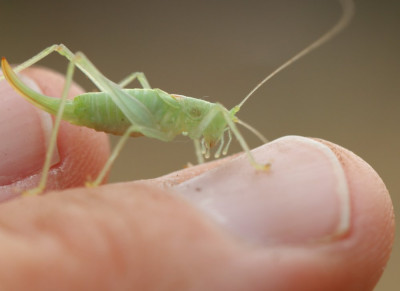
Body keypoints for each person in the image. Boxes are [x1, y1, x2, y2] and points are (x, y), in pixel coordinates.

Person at [0, 67, 394, 290]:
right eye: (221, 120)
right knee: (73, 59)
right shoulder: (185, 113)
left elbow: (210, 131)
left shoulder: (201, 116)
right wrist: (256, 168)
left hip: (138, 109)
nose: (222, 127)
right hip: (124, 110)